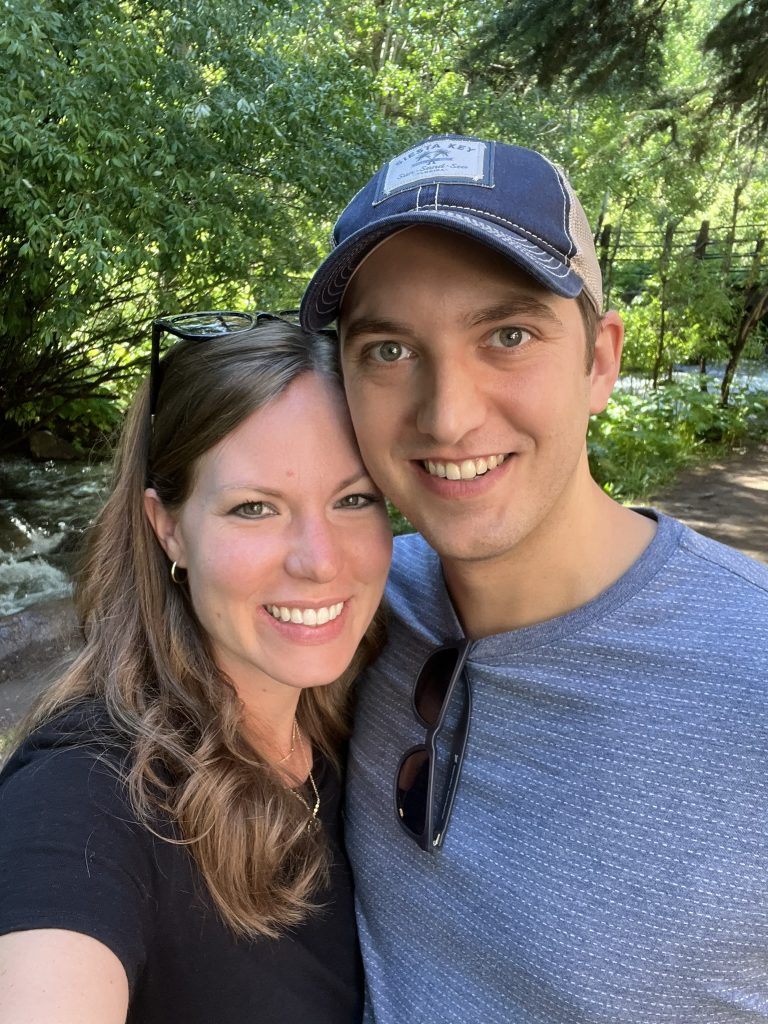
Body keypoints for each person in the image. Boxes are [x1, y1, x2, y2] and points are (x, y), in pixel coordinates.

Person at [299, 134, 768, 1022]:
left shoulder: (752, 674)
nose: (448, 416)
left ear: (601, 362)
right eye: (389, 351)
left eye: (507, 336)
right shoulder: (346, 608)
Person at [0, 315, 392, 1024]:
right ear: (169, 528)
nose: (320, 560)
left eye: (354, 499)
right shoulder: (86, 794)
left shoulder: (361, 714)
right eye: (254, 507)